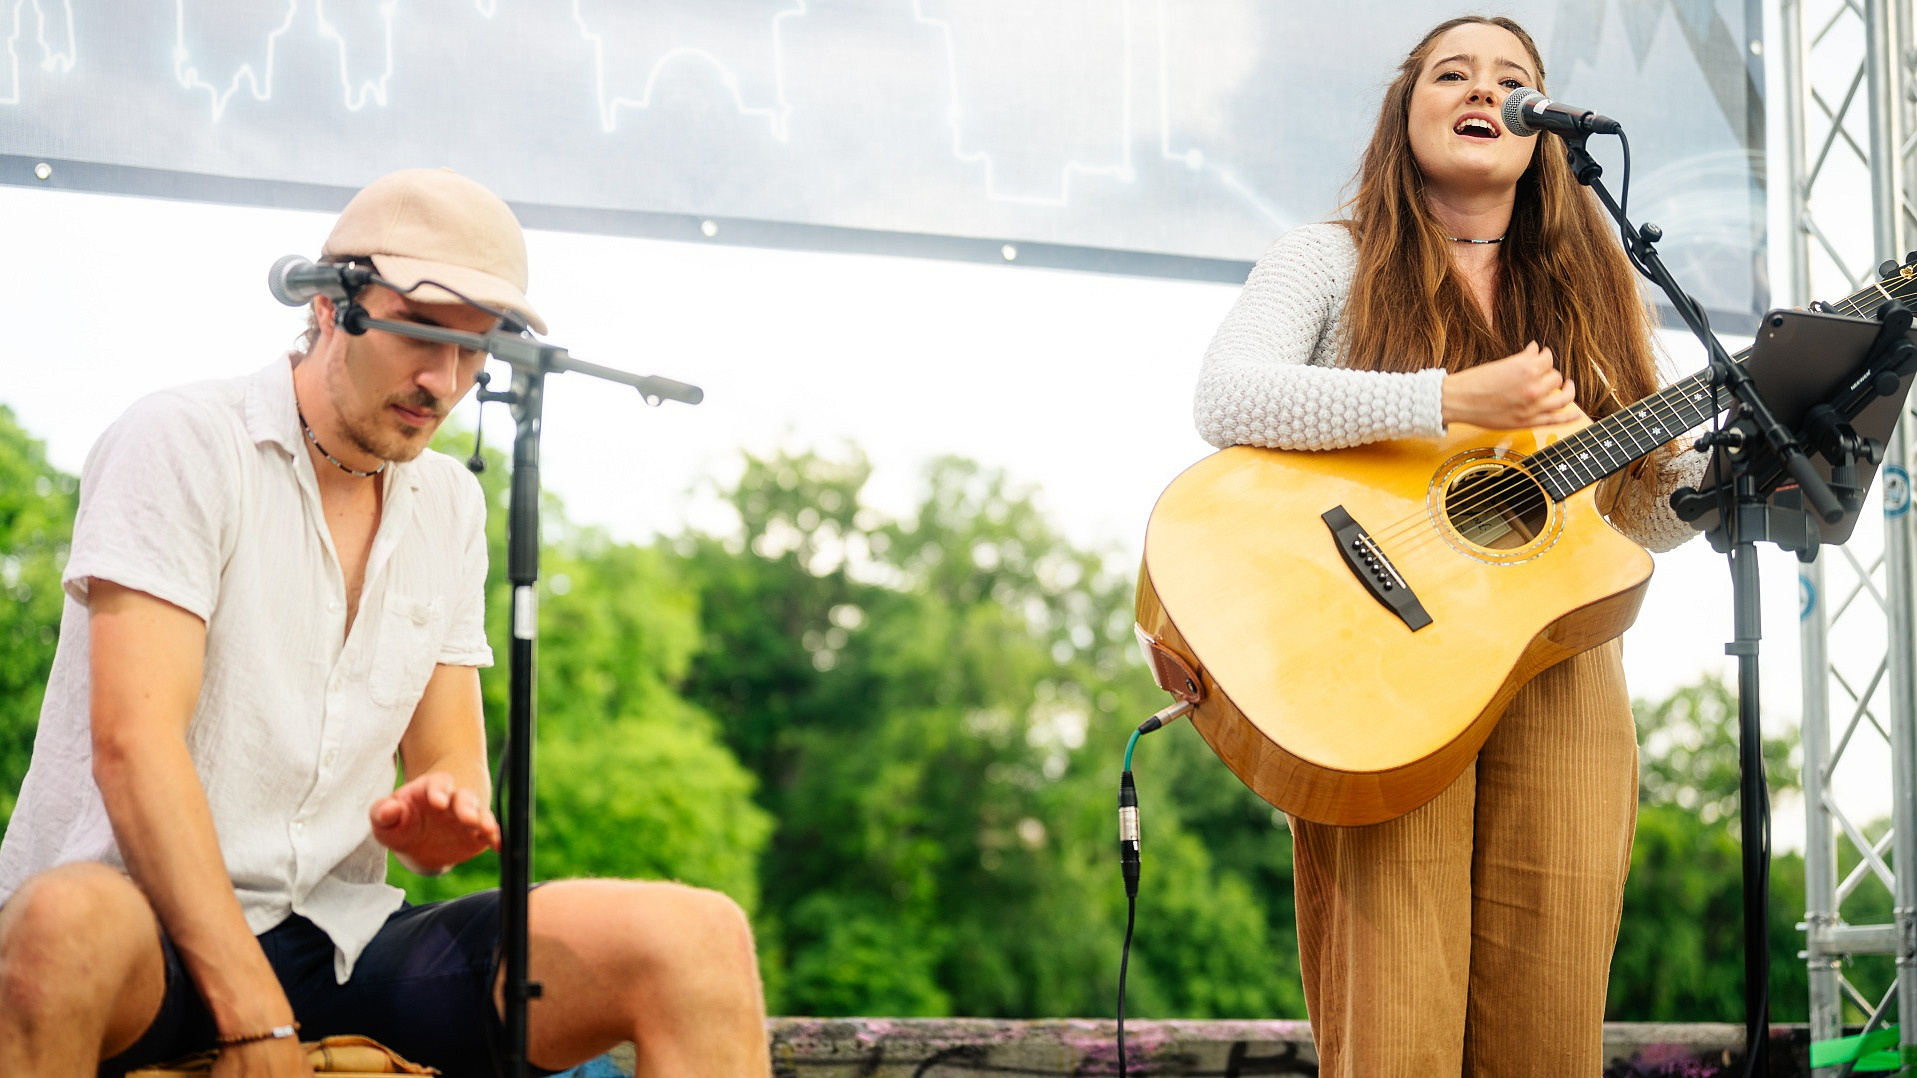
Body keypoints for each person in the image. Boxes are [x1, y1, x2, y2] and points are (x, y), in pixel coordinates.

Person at [0, 168, 770, 1078]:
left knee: (697, 935)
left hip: (342, 936)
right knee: (60, 925)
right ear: (330, 305)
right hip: (146, 932)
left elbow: (450, 763)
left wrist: (446, 810)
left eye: (475, 351)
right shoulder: (179, 439)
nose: (442, 381)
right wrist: (254, 1016)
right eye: (419, 333)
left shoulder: (450, 503)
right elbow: (133, 744)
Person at [1191, 16, 1706, 1077]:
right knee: (1396, 1025)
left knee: (1551, 1026)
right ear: (1407, 105)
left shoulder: (1601, 290)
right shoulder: (1326, 258)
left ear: (1546, 135)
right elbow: (1226, 394)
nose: (1487, 88)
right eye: (1454, 72)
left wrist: (1724, 488)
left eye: (1517, 80)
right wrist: (1446, 400)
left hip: (1560, 665)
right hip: (1384, 661)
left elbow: (1634, 511)